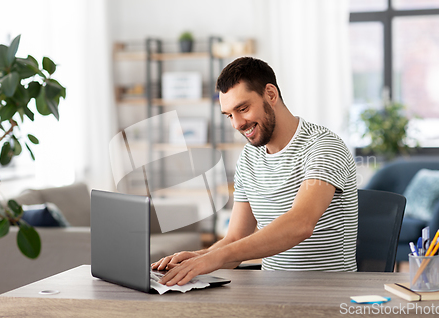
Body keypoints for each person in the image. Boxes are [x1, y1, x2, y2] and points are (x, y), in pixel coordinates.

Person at [152, 57, 358, 286]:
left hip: (327, 293)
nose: (237, 124)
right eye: (229, 115)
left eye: (243, 108)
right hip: (272, 290)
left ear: (270, 95)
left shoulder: (324, 147)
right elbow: (236, 238)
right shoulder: (249, 158)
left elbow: (301, 223)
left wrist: (214, 258)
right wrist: (198, 258)